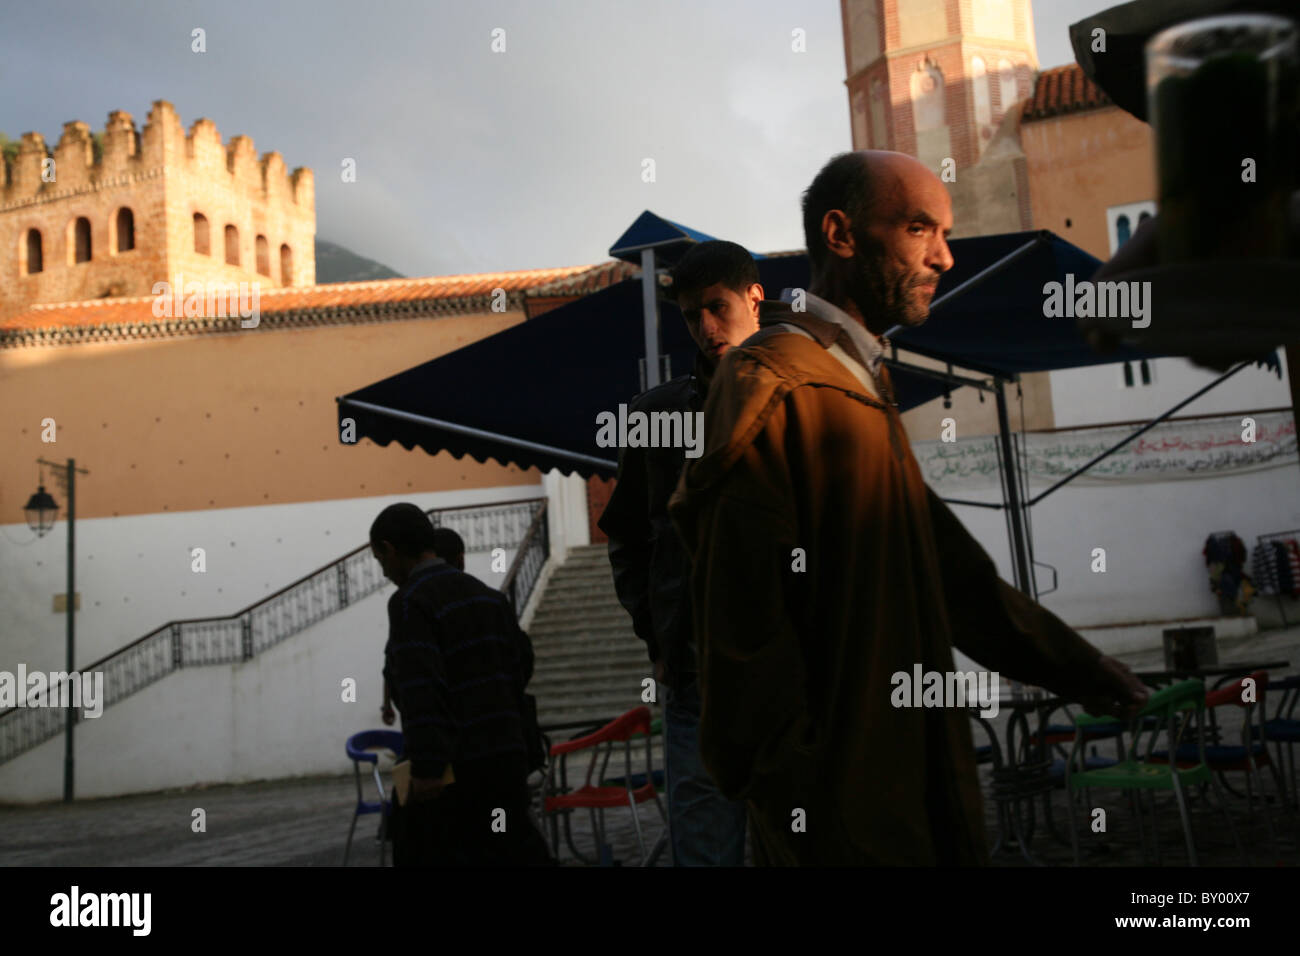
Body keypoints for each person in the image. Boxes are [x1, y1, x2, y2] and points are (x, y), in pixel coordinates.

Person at [667, 150, 1150, 866]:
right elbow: (740, 631)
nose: (946, 258)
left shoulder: (857, 378)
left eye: (946, 234)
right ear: (841, 233)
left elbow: (956, 578)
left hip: (912, 794)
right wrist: (797, 792)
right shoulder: (774, 381)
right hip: (842, 818)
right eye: (921, 229)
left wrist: (1078, 666)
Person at [598, 240, 760, 866]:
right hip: (695, 679)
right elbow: (628, 538)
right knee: (704, 848)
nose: (707, 328)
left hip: (792, 674)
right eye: (693, 316)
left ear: (754, 298)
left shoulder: (802, 396)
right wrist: (657, 639)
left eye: (717, 308)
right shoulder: (654, 416)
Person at [370, 503, 552, 866]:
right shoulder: (490, 598)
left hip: (457, 773)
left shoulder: (410, 603)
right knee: (509, 848)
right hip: (506, 761)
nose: (385, 571)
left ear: (390, 550)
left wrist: (427, 768)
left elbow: (422, 687)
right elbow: (518, 669)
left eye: (381, 559)